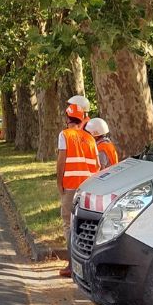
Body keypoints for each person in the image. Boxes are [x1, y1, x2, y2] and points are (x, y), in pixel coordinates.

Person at [57, 103, 99, 277]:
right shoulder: (90, 138)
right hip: (88, 187)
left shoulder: (65, 135)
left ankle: (71, 264)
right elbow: (97, 164)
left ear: (67, 119)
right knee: (85, 225)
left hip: (71, 185)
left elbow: (62, 161)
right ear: (81, 120)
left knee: (69, 223)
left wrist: (59, 182)